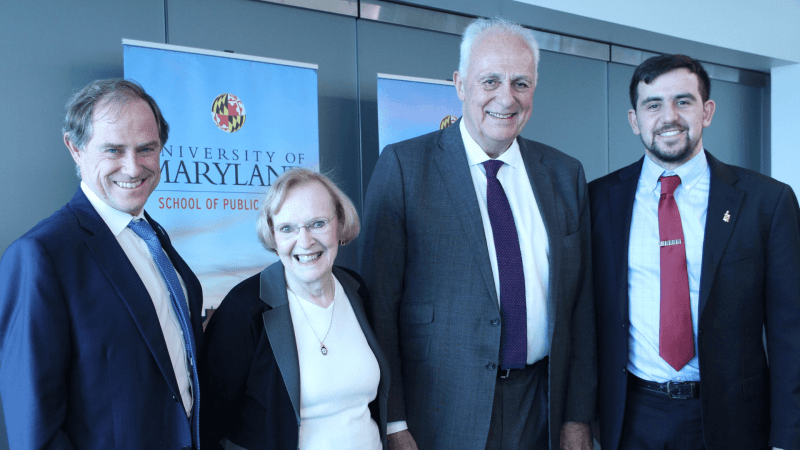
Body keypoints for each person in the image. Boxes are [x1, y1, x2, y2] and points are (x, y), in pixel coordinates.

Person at [359, 17, 596, 450]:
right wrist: (394, 422)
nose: (506, 97)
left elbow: (580, 308)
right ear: (460, 84)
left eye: (520, 83)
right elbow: (380, 306)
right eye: (490, 80)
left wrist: (577, 417)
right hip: (440, 413)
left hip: (539, 406)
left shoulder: (565, 175)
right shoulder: (404, 168)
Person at [590, 54, 800, 450]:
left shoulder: (766, 202)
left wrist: (788, 438)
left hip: (733, 421)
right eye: (653, 105)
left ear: (707, 111)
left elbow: (792, 331)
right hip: (632, 417)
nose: (668, 116)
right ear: (635, 120)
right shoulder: (599, 201)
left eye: (683, 101)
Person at [0, 79, 203, 449]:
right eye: (113, 150)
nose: (133, 167)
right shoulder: (40, 255)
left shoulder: (152, 235)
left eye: (146, 149)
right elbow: (33, 427)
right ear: (75, 149)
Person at [199, 168, 390, 450]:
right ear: (273, 236)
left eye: (318, 223)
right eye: (288, 228)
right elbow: (210, 423)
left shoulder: (356, 289)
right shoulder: (243, 309)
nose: (305, 241)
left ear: (339, 223)